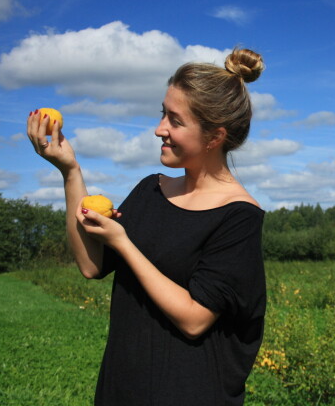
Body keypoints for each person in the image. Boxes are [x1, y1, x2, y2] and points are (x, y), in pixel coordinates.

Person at [26, 48, 267, 406]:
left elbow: (195, 319)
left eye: (175, 120)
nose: (159, 129)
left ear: (214, 137)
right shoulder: (150, 189)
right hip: (123, 387)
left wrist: (124, 244)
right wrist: (70, 170)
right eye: (162, 114)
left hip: (189, 394)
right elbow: (92, 266)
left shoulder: (238, 217)